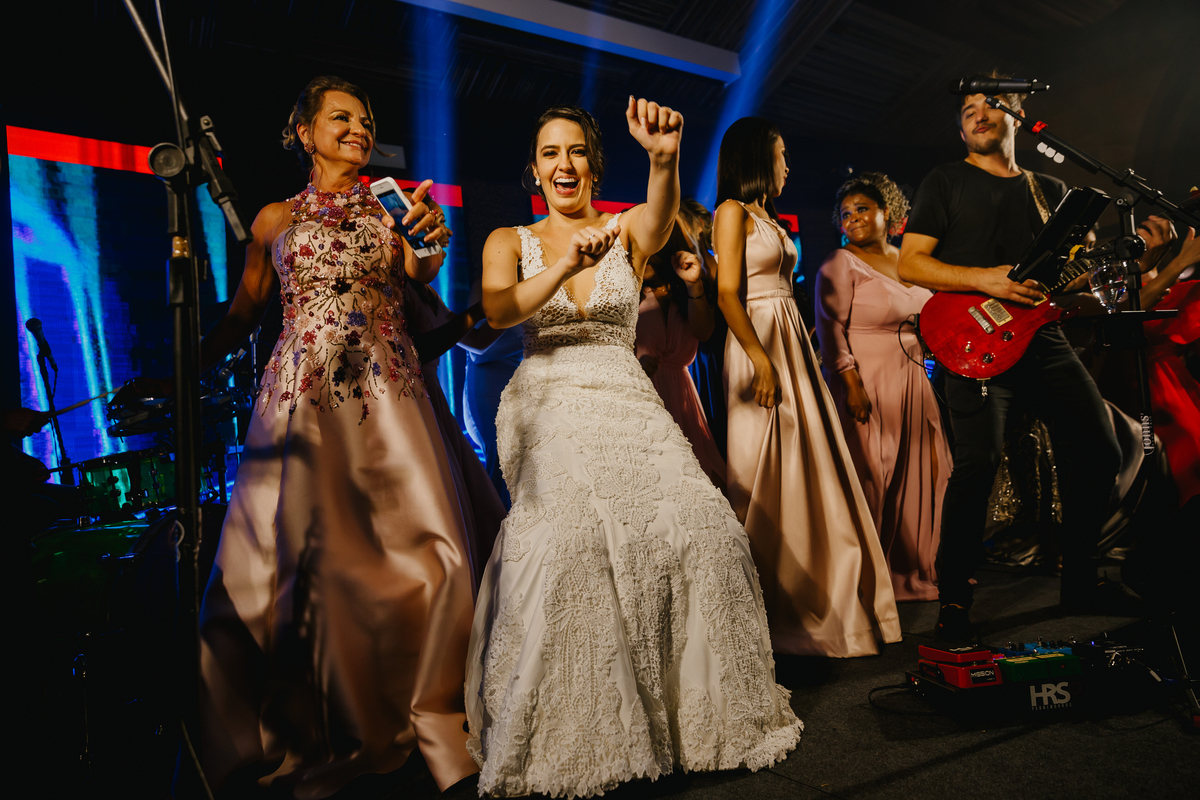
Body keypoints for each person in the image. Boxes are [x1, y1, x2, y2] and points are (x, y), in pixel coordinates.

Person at [466, 100, 802, 798]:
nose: (565, 164)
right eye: (551, 153)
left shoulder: (627, 236)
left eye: (577, 152)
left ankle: (689, 720)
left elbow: (659, 210)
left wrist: (663, 155)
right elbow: (498, 310)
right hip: (547, 395)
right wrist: (561, 268)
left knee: (707, 532)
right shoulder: (509, 238)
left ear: (593, 165)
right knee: (572, 543)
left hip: (625, 393)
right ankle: (580, 726)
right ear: (534, 170)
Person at [193, 76, 477, 797]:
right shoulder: (270, 221)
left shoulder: (396, 208)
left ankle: (429, 701)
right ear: (303, 132)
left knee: (421, 553)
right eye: (342, 117)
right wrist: (184, 361)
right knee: (308, 563)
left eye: (367, 119)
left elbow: (422, 280)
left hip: (390, 396)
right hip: (301, 405)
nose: (359, 128)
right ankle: (324, 715)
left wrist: (428, 248)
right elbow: (244, 313)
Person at [897, 73, 1122, 640]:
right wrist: (986, 281)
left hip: (1039, 337)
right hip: (968, 338)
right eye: (967, 109)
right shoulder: (944, 181)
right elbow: (911, 265)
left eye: (990, 105)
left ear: (1017, 116)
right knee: (977, 466)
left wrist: (1085, 278)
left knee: (1099, 445)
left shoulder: (1048, 190)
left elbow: (1056, 286)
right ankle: (953, 601)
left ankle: (1080, 577)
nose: (976, 114)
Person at [714, 117, 900, 658]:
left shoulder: (764, 216)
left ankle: (831, 599)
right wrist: (760, 360)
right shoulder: (730, 213)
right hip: (758, 338)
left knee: (810, 461)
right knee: (767, 465)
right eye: (781, 153)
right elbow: (728, 294)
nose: (788, 164)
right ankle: (773, 608)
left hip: (788, 334)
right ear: (756, 158)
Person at [816, 172, 951, 602]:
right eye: (845, 214)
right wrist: (850, 382)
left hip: (913, 377)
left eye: (862, 209)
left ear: (887, 214)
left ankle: (911, 570)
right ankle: (866, 579)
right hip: (865, 377)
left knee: (926, 471)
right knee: (873, 475)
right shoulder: (840, 263)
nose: (852, 218)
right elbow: (829, 329)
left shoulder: (908, 261)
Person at [403, 280, 507, 581]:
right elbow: (420, 348)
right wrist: (477, 310)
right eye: (435, 244)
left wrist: (520, 310)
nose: (444, 250)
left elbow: (478, 340)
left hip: (433, 393)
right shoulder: (401, 290)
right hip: (414, 392)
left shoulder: (430, 294)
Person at [635, 215, 726, 488]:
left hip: (684, 394)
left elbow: (703, 332)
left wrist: (693, 284)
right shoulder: (627, 285)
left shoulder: (682, 283)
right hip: (642, 395)